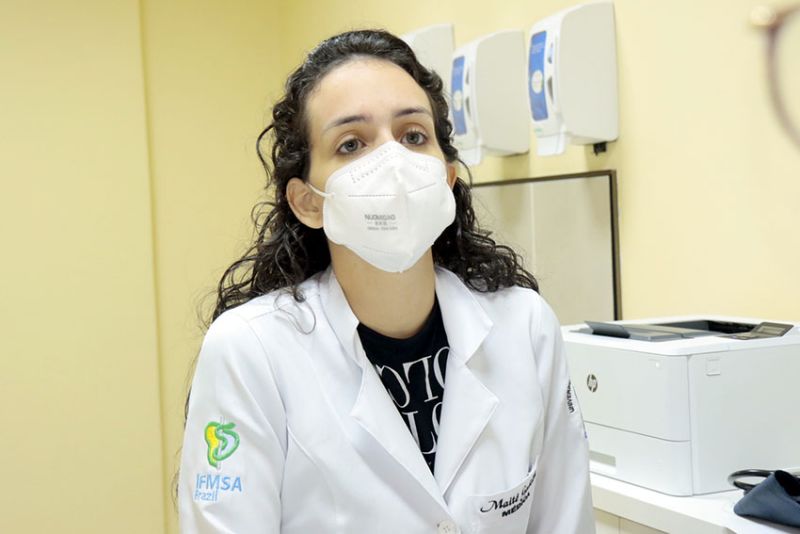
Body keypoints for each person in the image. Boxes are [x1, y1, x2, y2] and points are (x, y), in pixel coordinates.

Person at [178, 29, 594, 534]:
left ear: (446, 176)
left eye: (413, 136)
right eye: (351, 144)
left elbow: (565, 522)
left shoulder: (525, 327)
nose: (392, 165)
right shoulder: (250, 350)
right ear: (308, 202)